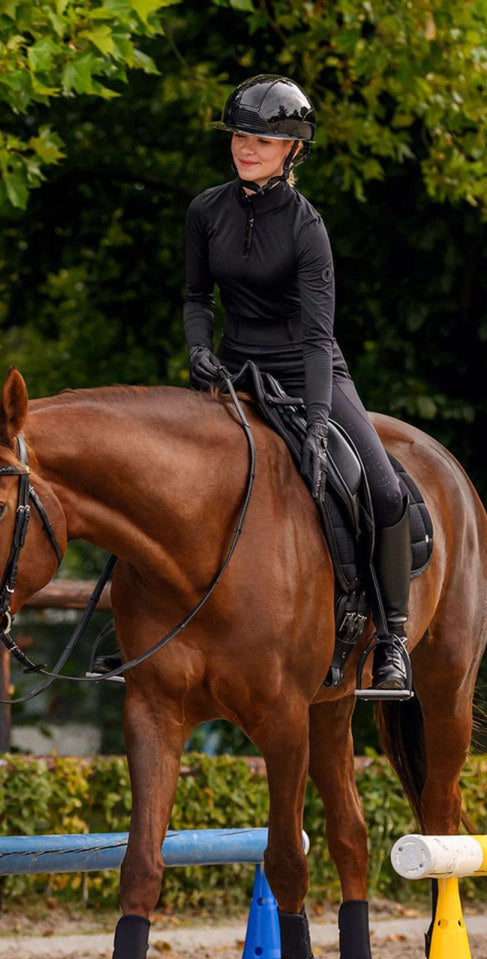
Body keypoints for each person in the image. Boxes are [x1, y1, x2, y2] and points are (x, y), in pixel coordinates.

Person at [184, 74, 412, 694]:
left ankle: (392, 638)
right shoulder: (205, 210)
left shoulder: (307, 227)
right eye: (239, 136)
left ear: (293, 150)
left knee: (384, 488)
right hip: (232, 369)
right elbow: (197, 297)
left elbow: (317, 336)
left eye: (261, 139)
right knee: (163, 474)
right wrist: (198, 349)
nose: (245, 147)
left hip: (307, 369)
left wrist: (315, 423)